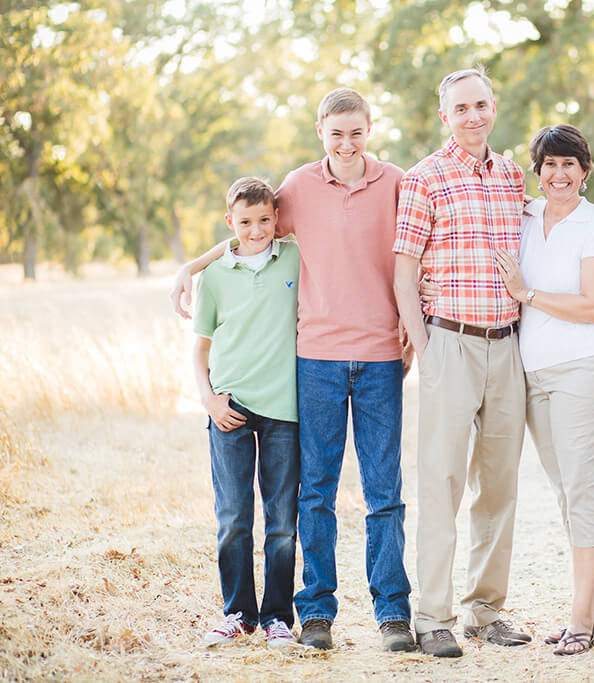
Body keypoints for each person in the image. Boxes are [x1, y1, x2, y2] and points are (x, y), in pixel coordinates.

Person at [171, 88, 415, 653]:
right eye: (336, 133)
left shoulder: (398, 182)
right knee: (316, 494)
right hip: (318, 361)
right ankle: (315, 613)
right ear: (320, 132)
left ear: (370, 128)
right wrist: (194, 264)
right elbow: (250, 229)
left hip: (381, 357)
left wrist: (413, 324)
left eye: (356, 131)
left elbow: (417, 251)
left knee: (385, 493)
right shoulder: (300, 186)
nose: (347, 143)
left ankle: (392, 614)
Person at [393, 67, 531, 658]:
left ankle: (486, 609)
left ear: (493, 107)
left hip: (508, 345)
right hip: (449, 340)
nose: (473, 116)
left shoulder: (511, 175)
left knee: (498, 484)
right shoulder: (425, 177)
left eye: (481, 105)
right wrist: (426, 349)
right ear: (444, 115)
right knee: (443, 481)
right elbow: (403, 271)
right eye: (461, 108)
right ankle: (432, 615)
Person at [492, 124, 594, 656]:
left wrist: (527, 293)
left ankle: (579, 622)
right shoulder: (523, 218)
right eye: (549, 164)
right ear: (537, 170)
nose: (559, 174)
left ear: (585, 171)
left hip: (587, 370)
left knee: (585, 489)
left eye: (569, 164)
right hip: (535, 374)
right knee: (568, 491)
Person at [193, 177, 301, 649]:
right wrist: (209, 400)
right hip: (229, 406)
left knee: (281, 520)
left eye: (263, 220)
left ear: (276, 218)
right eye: (245, 222)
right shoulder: (214, 276)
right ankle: (238, 612)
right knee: (234, 515)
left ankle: (278, 616)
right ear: (229, 223)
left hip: (284, 407)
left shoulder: (294, 256)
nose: (255, 231)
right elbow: (199, 349)